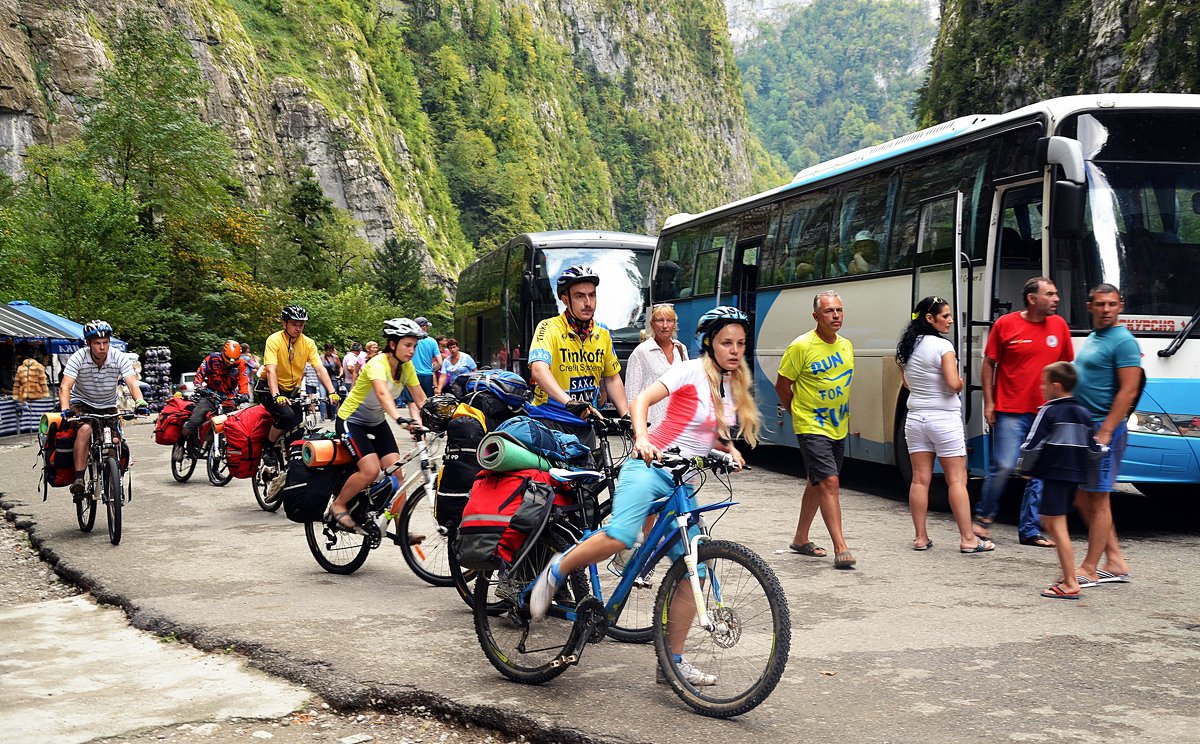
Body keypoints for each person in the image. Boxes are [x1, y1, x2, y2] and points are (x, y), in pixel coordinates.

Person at [528, 306, 760, 686]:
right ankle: (556, 570)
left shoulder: (731, 384)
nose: (734, 350)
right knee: (621, 535)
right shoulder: (689, 370)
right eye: (726, 343)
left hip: (681, 478)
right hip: (649, 466)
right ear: (709, 344)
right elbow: (641, 402)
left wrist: (728, 449)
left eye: (740, 344)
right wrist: (641, 438)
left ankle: (672, 662)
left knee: (695, 569)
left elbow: (711, 431)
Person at [975, 277, 1073, 548]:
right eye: (1050, 294)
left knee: (1039, 472)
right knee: (1004, 465)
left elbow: (1066, 367)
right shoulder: (1006, 324)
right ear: (1032, 298)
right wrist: (989, 402)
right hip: (1011, 409)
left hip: (1047, 413)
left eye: (1056, 294)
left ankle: (1030, 530)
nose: (1056, 299)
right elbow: (989, 363)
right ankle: (984, 518)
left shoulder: (1059, 326)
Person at [896, 297, 993, 553]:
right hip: (944, 419)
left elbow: (907, 383)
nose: (950, 320)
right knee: (957, 480)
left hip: (916, 419)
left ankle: (920, 538)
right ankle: (969, 539)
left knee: (919, 480)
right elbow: (952, 384)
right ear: (930, 319)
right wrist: (960, 381)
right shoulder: (943, 346)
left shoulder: (907, 348)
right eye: (946, 316)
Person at [774, 290, 856, 569]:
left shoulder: (846, 345)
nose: (835, 315)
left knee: (817, 481)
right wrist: (797, 412)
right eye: (829, 311)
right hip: (811, 424)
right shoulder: (801, 346)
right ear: (815, 316)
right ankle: (841, 547)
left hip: (838, 425)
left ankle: (800, 538)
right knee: (830, 482)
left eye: (839, 310)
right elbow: (782, 386)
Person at [329, 318, 428, 532]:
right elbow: (383, 394)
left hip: (375, 422)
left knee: (397, 473)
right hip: (351, 420)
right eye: (407, 345)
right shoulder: (377, 364)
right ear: (392, 344)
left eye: (414, 346)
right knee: (370, 470)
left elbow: (421, 398)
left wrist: (444, 418)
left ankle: (401, 528)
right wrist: (399, 418)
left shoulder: (407, 367)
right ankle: (339, 504)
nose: (412, 351)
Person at [1072, 284, 1139, 586]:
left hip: (1103, 430)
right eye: (1100, 304)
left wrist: (1107, 431)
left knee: (1098, 499)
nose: (1106, 310)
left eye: (1112, 304)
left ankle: (1089, 568)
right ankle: (1115, 561)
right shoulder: (1094, 338)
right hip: (1086, 428)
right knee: (1082, 496)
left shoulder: (1123, 341)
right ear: (1090, 306)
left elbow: (1128, 390)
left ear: (1121, 306)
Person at [1016, 362, 1099, 600]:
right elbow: (1093, 449)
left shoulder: (1049, 411)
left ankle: (1070, 582)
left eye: (1043, 383)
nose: (1041, 388)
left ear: (1055, 386)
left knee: (1057, 527)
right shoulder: (1084, 413)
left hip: (1053, 474)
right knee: (1053, 522)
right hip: (1073, 476)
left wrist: (1025, 468)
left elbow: (1032, 445)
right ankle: (1068, 573)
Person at [527, 266, 629, 455]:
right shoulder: (548, 328)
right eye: (580, 296)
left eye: (592, 295)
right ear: (566, 300)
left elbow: (612, 377)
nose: (588, 302)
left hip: (584, 424)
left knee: (589, 481)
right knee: (553, 483)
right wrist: (569, 403)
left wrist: (626, 416)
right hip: (549, 420)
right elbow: (539, 370)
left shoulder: (603, 333)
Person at [58, 320, 147, 495]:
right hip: (82, 403)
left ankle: (113, 478)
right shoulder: (79, 357)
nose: (102, 347)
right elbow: (65, 386)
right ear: (88, 343)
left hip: (108, 405)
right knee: (84, 430)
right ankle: (79, 478)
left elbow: (132, 383)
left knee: (114, 441)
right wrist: (65, 408)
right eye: (97, 343)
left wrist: (140, 402)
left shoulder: (118, 356)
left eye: (105, 342)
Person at [258, 306, 340, 465]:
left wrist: (331, 391)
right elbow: (270, 370)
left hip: (291, 391)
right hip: (269, 389)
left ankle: (291, 466)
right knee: (286, 416)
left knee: (298, 430)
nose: (298, 328)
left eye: (301, 325)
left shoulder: (308, 343)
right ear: (284, 324)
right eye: (294, 324)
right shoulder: (274, 340)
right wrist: (276, 396)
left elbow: (320, 369)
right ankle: (267, 446)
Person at [179, 340, 248, 457]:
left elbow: (243, 380)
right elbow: (200, 373)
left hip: (229, 397)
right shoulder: (212, 359)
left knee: (232, 425)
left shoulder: (241, 364)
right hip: (210, 394)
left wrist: (244, 394)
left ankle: (220, 446)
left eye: (233, 361)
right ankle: (180, 444)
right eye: (227, 360)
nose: (229, 364)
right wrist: (198, 386)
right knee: (195, 418)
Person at [624, 303, 689, 427]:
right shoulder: (641, 352)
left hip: (678, 426)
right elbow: (632, 394)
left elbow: (687, 387)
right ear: (652, 324)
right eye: (660, 320)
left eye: (669, 320)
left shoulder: (681, 349)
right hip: (651, 427)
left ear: (674, 324)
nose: (665, 325)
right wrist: (636, 428)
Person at [409, 317, 442, 397]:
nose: (428, 328)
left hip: (413, 375)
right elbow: (440, 363)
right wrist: (431, 370)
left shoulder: (410, 340)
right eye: (427, 326)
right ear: (424, 327)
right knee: (426, 402)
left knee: (413, 403)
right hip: (427, 376)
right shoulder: (432, 341)